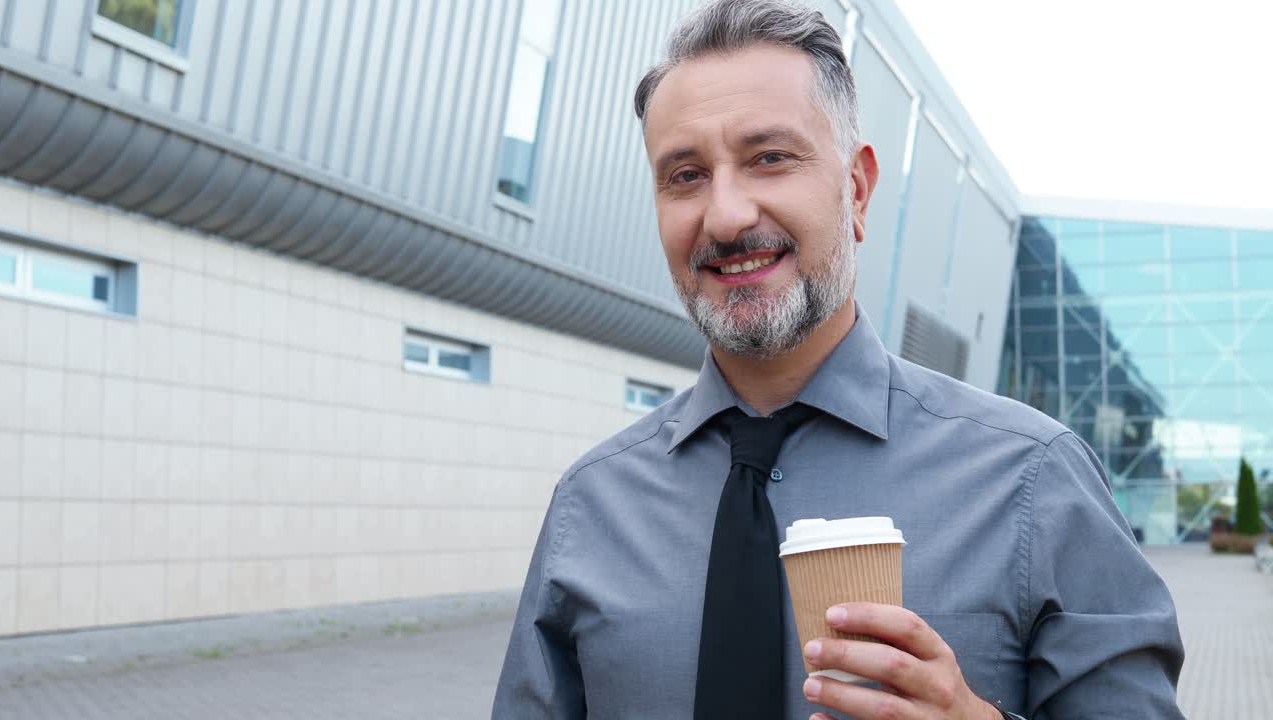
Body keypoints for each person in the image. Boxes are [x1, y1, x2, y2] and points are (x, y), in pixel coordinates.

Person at [492, 1, 1185, 718]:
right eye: (686, 175)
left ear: (856, 189)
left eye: (769, 158)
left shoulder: (1037, 482)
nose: (726, 217)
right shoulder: (592, 504)